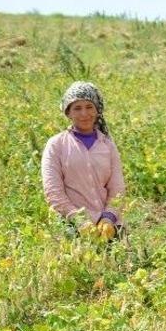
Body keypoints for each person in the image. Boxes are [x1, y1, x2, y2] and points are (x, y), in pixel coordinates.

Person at [41, 81, 126, 240]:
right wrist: (79, 220)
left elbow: (117, 188)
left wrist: (108, 218)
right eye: (77, 108)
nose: (84, 114)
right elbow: (53, 192)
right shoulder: (56, 145)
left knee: (120, 261)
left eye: (89, 107)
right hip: (70, 225)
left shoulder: (107, 145)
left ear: (97, 110)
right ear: (68, 113)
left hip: (107, 225)